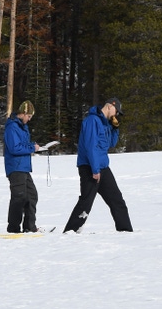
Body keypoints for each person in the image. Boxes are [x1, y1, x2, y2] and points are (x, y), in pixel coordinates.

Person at [63, 97, 133, 233]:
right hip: (89, 167)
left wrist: (115, 128)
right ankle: (70, 231)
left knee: (117, 200)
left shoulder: (105, 124)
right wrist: (95, 170)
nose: (116, 114)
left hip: (102, 167)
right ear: (109, 107)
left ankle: (126, 231)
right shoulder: (92, 121)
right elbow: (91, 147)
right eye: (116, 111)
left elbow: (111, 144)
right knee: (86, 201)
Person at [4, 100, 42, 233]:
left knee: (32, 195)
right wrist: (32, 147)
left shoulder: (22, 127)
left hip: (24, 167)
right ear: (23, 113)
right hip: (15, 167)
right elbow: (14, 148)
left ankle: (29, 226)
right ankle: (13, 228)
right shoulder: (12, 127)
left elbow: (23, 145)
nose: (30, 119)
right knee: (19, 197)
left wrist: (33, 146)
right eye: (29, 116)